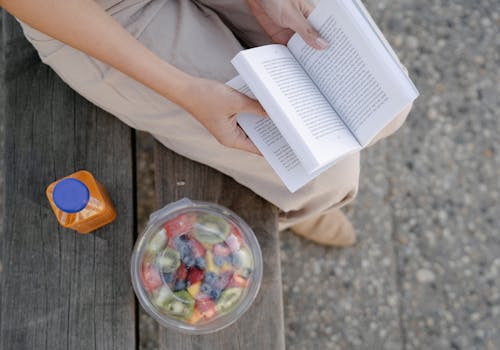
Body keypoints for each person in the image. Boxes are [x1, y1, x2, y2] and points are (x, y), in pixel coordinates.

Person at [0, 0, 411, 246]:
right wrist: (184, 91)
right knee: (324, 174)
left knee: (384, 102)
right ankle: (301, 211)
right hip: (99, 13)